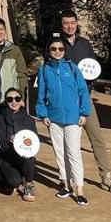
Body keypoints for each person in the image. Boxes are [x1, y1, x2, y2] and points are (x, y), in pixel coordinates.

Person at [60, 9, 111, 194]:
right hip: (64, 100)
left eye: (72, 22)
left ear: (76, 23)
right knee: (68, 141)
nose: (69, 26)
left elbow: (93, 69)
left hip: (84, 99)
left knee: (97, 138)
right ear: (61, 25)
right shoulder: (56, 45)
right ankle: (67, 180)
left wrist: (90, 83)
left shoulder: (85, 45)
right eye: (66, 23)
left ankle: (107, 177)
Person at [36, 37, 91, 206]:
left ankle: (79, 189)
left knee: (74, 153)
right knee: (59, 153)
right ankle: (66, 184)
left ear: (64, 51)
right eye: (54, 49)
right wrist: (43, 113)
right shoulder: (44, 69)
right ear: (49, 51)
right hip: (53, 118)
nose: (57, 51)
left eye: (60, 49)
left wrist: (84, 113)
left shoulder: (73, 69)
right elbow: (41, 94)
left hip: (73, 118)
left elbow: (83, 91)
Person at [0, 88, 37, 202]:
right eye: (10, 99)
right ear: (6, 102)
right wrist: (9, 140)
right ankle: (13, 180)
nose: (14, 102)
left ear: (21, 101)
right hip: (7, 158)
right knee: (13, 182)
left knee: (30, 159)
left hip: (23, 157)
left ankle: (28, 184)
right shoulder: (0, 120)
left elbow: (34, 142)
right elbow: (1, 145)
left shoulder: (29, 120)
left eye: (17, 98)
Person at [0, 17, 28, 99]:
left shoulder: (15, 49)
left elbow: (22, 75)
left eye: (1, 29)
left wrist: (21, 97)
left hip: (11, 99)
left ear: (5, 31)